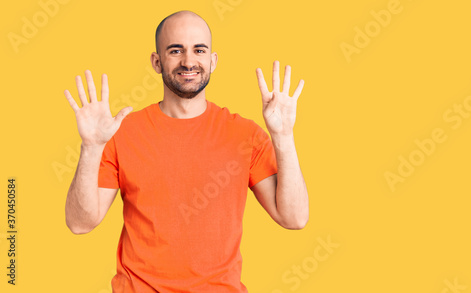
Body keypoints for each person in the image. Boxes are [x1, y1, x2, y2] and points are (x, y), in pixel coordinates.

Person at [64, 10, 309, 293]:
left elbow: (295, 218)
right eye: (175, 50)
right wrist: (91, 147)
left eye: (199, 50)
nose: (189, 61)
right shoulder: (122, 133)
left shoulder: (246, 134)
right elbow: (80, 224)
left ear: (213, 60)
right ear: (157, 62)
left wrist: (283, 136)